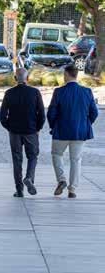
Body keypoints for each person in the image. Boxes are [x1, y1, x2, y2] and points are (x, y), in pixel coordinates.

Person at [48, 64, 98, 198]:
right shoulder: (87, 91)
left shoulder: (59, 92)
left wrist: (53, 126)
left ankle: (61, 179)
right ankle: (72, 189)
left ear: (66, 74)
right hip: (80, 131)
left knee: (56, 154)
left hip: (61, 130)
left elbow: (51, 112)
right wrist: (86, 124)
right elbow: (94, 112)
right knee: (76, 160)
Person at [0, 68, 45, 198]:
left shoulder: (9, 93)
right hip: (31, 130)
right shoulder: (35, 92)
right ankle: (29, 177)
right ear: (27, 78)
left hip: (14, 131)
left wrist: (9, 127)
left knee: (17, 159)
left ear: (15, 78)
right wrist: (38, 128)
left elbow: (2, 116)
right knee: (33, 156)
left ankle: (19, 190)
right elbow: (42, 114)